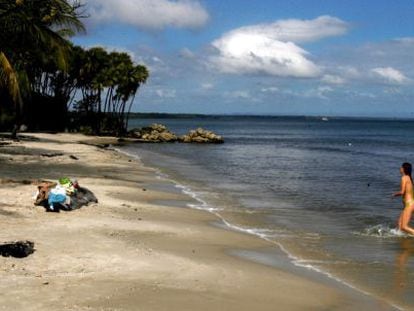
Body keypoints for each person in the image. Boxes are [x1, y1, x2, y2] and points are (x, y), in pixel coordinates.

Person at [393, 162, 414, 235]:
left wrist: (394, 194)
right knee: (399, 224)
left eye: (401, 167)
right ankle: (400, 238)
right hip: (410, 204)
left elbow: (402, 192)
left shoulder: (404, 178)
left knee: (404, 226)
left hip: (409, 205)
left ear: (404, 169)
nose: (400, 168)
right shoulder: (409, 178)